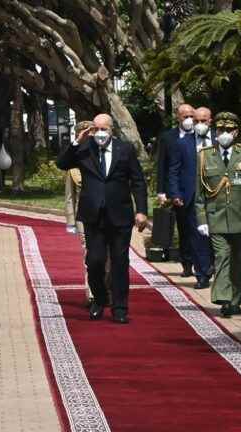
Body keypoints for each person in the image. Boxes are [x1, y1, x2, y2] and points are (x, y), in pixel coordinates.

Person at [58, 114, 148, 324]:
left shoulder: (124, 149)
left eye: (103, 129)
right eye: (95, 129)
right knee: (95, 261)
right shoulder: (84, 149)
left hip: (120, 216)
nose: (99, 133)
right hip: (93, 216)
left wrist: (141, 210)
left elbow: (138, 181)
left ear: (111, 130)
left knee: (119, 263)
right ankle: (99, 298)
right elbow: (62, 163)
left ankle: (120, 308)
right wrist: (76, 142)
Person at [195, 112, 241, 318]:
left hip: (240, 217)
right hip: (216, 217)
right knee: (222, 256)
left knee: (238, 259)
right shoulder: (205, 155)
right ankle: (224, 299)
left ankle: (235, 300)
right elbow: (199, 192)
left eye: (227, 130)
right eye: (220, 130)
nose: (223, 134)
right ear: (215, 132)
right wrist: (201, 219)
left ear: (235, 132)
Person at [64, 120, 112, 306]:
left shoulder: (106, 155)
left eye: (91, 132)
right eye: (86, 134)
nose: (90, 136)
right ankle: (92, 294)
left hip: (108, 214)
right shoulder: (74, 164)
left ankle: (106, 288)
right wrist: (70, 222)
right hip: (84, 217)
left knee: (108, 256)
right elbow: (70, 197)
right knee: (90, 256)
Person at [167, 106, 213, 289]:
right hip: (192, 197)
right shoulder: (182, 143)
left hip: (216, 196)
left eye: (203, 121)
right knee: (197, 235)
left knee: (215, 236)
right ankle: (202, 274)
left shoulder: (220, 141)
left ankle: (212, 266)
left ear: (211, 121)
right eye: (196, 121)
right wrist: (175, 193)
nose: (199, 124)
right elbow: (174, 170)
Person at [157, 104, 202, 278]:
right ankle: (187, 263)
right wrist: (162, 191)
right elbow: (162, 165)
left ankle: (202, 263)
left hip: (199, 191)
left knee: (200, 229)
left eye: (192, 115)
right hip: (179, 192)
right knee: (185, 230)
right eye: (185, 116)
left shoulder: (201, 136)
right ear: (178, 117)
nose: (189, 120)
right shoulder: (168, 137)